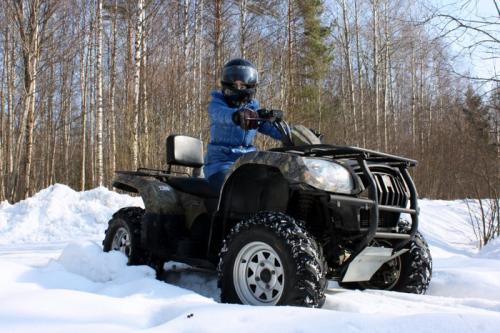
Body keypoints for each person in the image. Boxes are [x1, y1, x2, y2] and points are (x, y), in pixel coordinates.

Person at [204, 59, 283, 192]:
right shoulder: (217, 104)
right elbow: (221, 115)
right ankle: (225, 213)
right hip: (220, 165)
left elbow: (272, 129)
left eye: (242, 86)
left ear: (250, 86)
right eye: (235, 85)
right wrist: (236, 116)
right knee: (236, 187)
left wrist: (297, 133)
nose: (238, 88)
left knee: (275, 184)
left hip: (248, 163)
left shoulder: (253, 111)